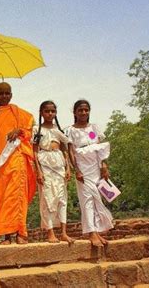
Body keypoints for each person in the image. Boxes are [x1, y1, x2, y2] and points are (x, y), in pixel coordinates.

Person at [0, 82, 36, 244]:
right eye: (1, 93)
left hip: (15, 157)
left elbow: (29, 133)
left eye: (7, 93)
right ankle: (6, 235)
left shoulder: (19, 113)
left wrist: (18, 131)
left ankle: (20, 233)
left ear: (11, 95)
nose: (4, 96)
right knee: (1, 197)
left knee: (17, 194)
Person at [66, 99, 113, 247]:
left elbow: (97, 146)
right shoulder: (71, 130)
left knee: (96, 198)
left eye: (86, 110)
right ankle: (91, 232)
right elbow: (71, 152)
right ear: (75, 112)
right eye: (80, 110)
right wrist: (76, 170)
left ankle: (97, 231)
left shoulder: (93, 128)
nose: (83, 113)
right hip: (82, 166)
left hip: (95, 165)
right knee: (86, 198)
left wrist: (103, 165)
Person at [33, 100, 75, 244]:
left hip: (59, 165)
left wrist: (68, 167)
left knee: (62, 199)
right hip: (45, 164)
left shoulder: (59, 130)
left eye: (53, 111)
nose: (50, 114)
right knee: (47, 198)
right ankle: (50, 232)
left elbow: (64, 149)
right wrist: (38, 171)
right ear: (41, 113)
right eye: (47, 111)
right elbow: (34, 151)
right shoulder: (37, 130)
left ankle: (63, 232)